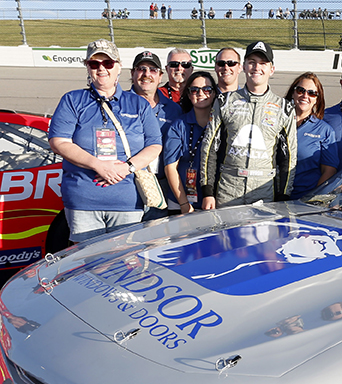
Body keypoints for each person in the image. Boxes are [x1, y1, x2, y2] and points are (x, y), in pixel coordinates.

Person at [48, 39, 162, 243]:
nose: (102, 68)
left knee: (126, 264)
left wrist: (126, 168)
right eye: (94, 64)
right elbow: (59, 141)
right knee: (89, 265)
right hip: (83, 200)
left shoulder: (138, 104)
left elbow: (155, 144)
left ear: (118, 67)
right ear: (87, 67)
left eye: (107, 63)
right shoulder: (72, 100)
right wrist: (98, 165)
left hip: (128, 199)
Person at [199, 41, 297, 209]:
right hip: (228, 189)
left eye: (263, 63)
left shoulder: (284, 108)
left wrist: (284, 195)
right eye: (251, 62)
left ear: (271, 69)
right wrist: (208, 191)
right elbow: (209, 149)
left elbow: (288, 157)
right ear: (244, 66)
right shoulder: (225, 101)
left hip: (265, 192)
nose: (256, 67)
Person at [128, 50, 183, 220]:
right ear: (132, 73)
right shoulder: (118, 104)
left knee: (155, 241)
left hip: (161, 187)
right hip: (128, 184)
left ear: (160, 76)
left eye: (152, 70)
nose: (146, 74)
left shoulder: (174, 109)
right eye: (141, 69)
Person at [164, 72, 217, 214]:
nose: (200, 93)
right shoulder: (178, 125)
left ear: (213, 94)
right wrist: (184, 204)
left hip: (213, 201)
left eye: (207, 89)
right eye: (194, 90)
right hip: (180, 202)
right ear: (188, 94)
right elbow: (170, 167)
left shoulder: (220, 125)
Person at [284, 72, 338, 199]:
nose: (305, 95)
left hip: (302, 199)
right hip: (270, 196)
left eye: (312, 93)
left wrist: (312, 198)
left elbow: (329, 171)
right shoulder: (276, 122)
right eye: (300, 90)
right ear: (293, 93)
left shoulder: (324, 131)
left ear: (317, 100)